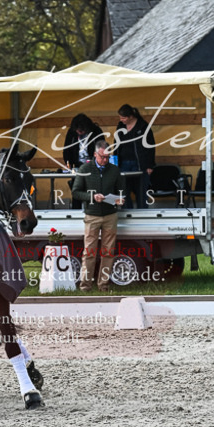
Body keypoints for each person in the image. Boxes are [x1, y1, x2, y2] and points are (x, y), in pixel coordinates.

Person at [71, 140, 124, 292]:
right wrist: (92, 196)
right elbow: (75, 192)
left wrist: (120, 198)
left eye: (107, 157)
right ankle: (85, 285)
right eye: (102, 157)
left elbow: (122, 189)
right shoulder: (85, 168)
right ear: (95, 154)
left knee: (108, 251)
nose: (105, 160)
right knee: (89, 252)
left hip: (110, 214)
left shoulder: (114, 170)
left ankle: (103, 285)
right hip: (92, 215)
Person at [114, 104, 156, 209]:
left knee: (141, 191)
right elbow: (116, 145)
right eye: (120, 117)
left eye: (123, 117)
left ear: (131, 116)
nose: (121, 120)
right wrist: (114, 161)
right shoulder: (120, 126)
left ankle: (142, 216)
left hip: (140, 163)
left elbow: (151, 146)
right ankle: (128, 214)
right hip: (123, 163)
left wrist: (150, 165)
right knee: (124, 191)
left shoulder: (143, 126)